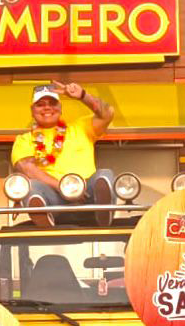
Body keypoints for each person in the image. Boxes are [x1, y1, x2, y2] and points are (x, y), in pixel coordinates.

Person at [11, 81, 116, 227]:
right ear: (32, 110)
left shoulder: (81, 127)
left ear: (60, 108)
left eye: (52, 103)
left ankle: (103, 214)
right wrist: (62, 187)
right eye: (40, 104)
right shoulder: (24, 140)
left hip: (87, 194)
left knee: (104, 175)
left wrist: (83, 96)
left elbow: (108, 113)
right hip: (54, 198)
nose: (47, 107)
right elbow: (28, 169)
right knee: (32, 188)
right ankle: (45, 222)